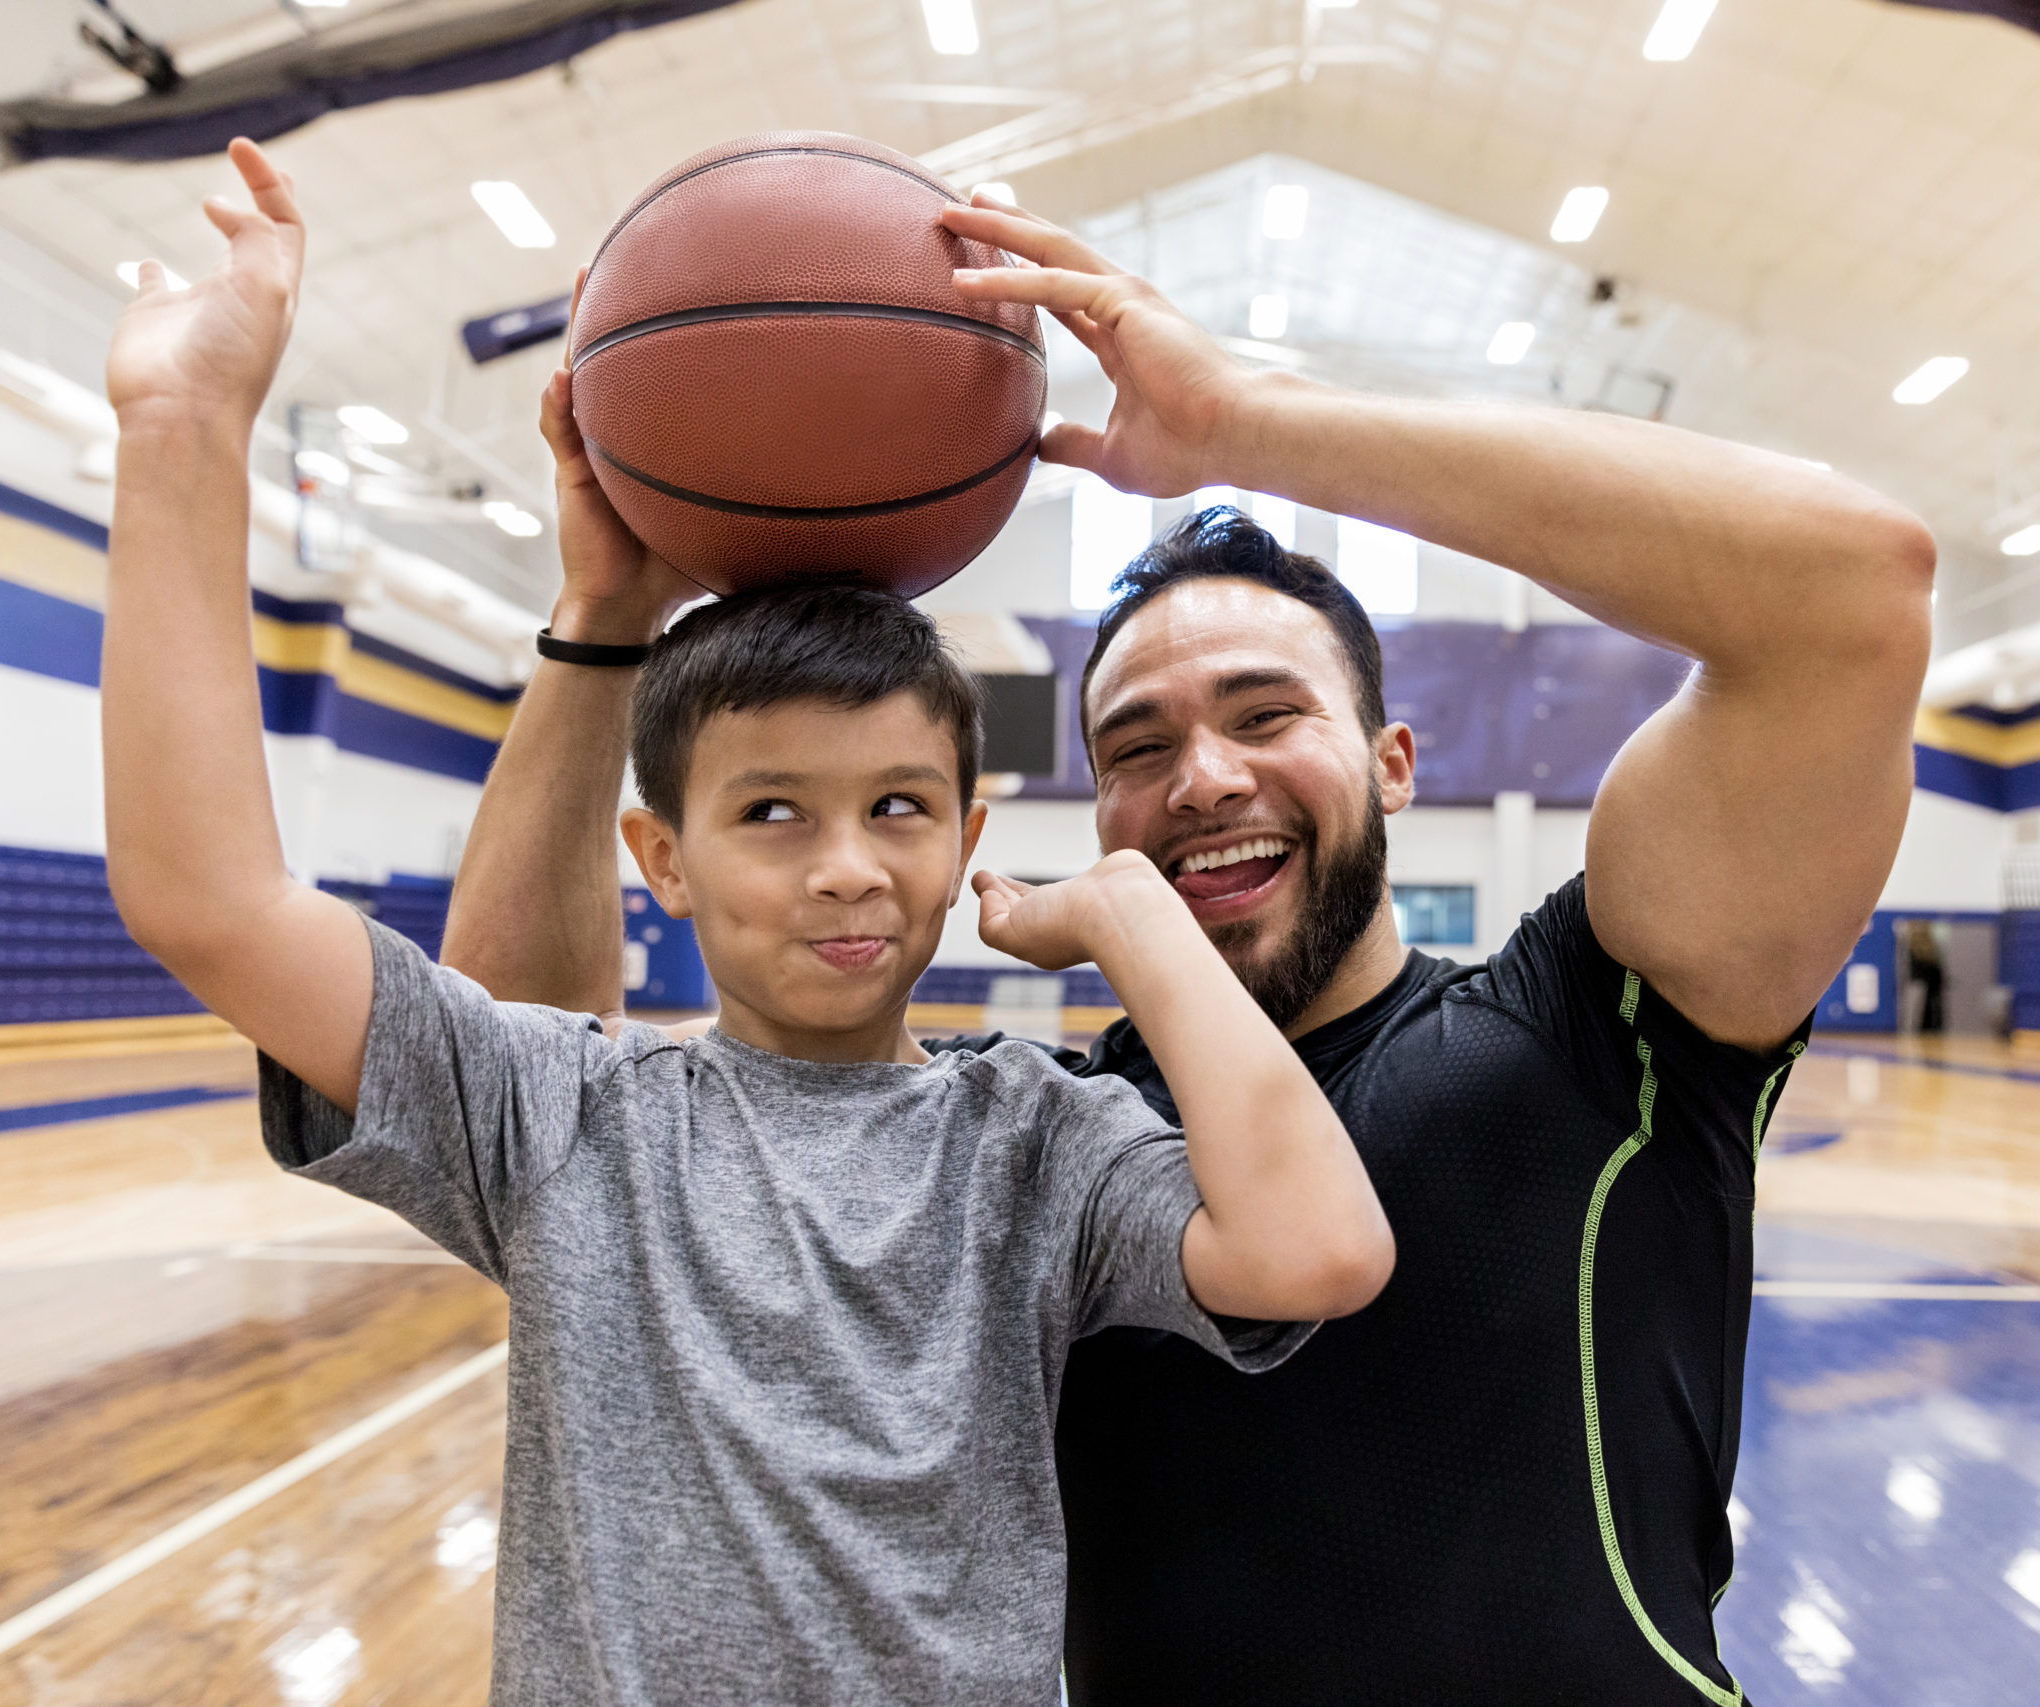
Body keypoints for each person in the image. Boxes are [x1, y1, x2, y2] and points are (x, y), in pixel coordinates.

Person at [447, 191, 1934, 1704]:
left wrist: (1248, 421)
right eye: (1137, 746)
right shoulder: (1040, 1143)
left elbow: (1853, 593)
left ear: (1396, 761)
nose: (1205, 778)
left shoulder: (1593, 1030)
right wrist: (604, 620)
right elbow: (518, 1078)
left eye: (1266, 713)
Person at [97, 140, 1393, 1707]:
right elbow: (208, 898)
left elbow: (1319, 1250)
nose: (847, 867)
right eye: (772, 814)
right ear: (664, 855)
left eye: (900, 810)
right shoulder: (574, 1116)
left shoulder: (1032, 1140)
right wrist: (184, 429)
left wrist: (1132, 911)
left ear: (970, 834)